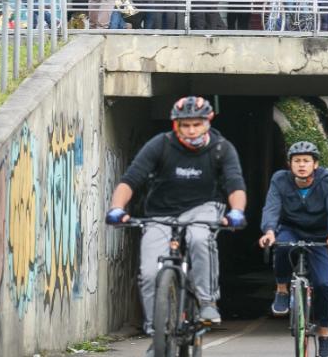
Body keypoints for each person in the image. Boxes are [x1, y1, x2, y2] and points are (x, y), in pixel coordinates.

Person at [105, 95, 247, 352]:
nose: (191, 130)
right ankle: (157, 332)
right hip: (160, 213)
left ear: (207, 122)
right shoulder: (160, 145)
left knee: (199, 238)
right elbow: (131, 179)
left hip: (203, 209)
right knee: (149, 272)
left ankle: (206, 301)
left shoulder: (221, 148)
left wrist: (237, 211)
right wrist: (117, 207)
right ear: (175, 126)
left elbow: (235, 183)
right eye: (185, 125)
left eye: (196, 124)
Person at [259, 141, 328, 357]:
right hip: (291, 229)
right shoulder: (280, 180)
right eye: (296, 161)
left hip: (319, 234)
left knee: (323, 284)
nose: (301, 165)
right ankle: (281, 289)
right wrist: (269, 231)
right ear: (290, 164)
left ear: (315, 164)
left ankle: (324, 333)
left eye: (306, 161)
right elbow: (271, 207)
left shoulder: (327, 179)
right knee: (280, 246)